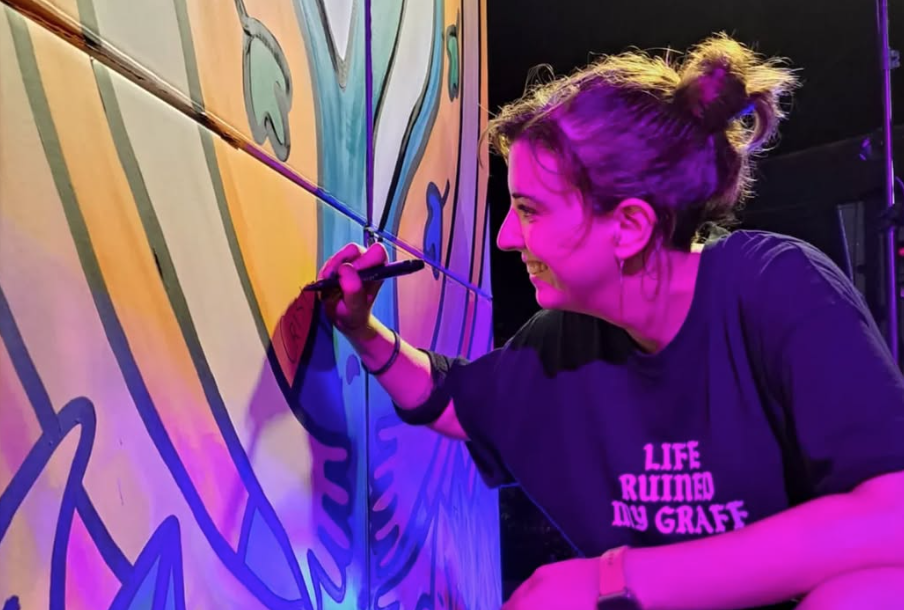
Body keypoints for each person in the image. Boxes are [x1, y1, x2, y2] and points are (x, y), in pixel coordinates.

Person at [317, 33, 904, 610]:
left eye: (529, 210)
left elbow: (893, 519)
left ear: (629, 227)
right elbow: (450, 400)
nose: (506, 237)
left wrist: (611, 581)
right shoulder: (560, 346)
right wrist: (362, 331)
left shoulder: (777, 287)